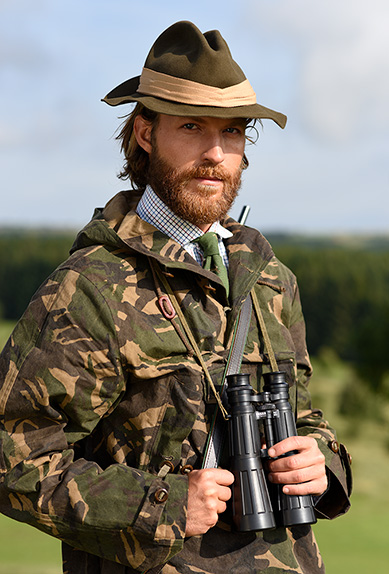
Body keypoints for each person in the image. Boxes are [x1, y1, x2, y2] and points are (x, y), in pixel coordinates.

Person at [0, 21, 351, 574]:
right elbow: (11, 458)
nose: (216, 153)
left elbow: (305, 415)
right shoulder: (90, 287)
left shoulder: (270, 279)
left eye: (233, 132)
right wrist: (158, 503)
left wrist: (322, 462)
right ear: (144, 132)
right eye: (192, 127)